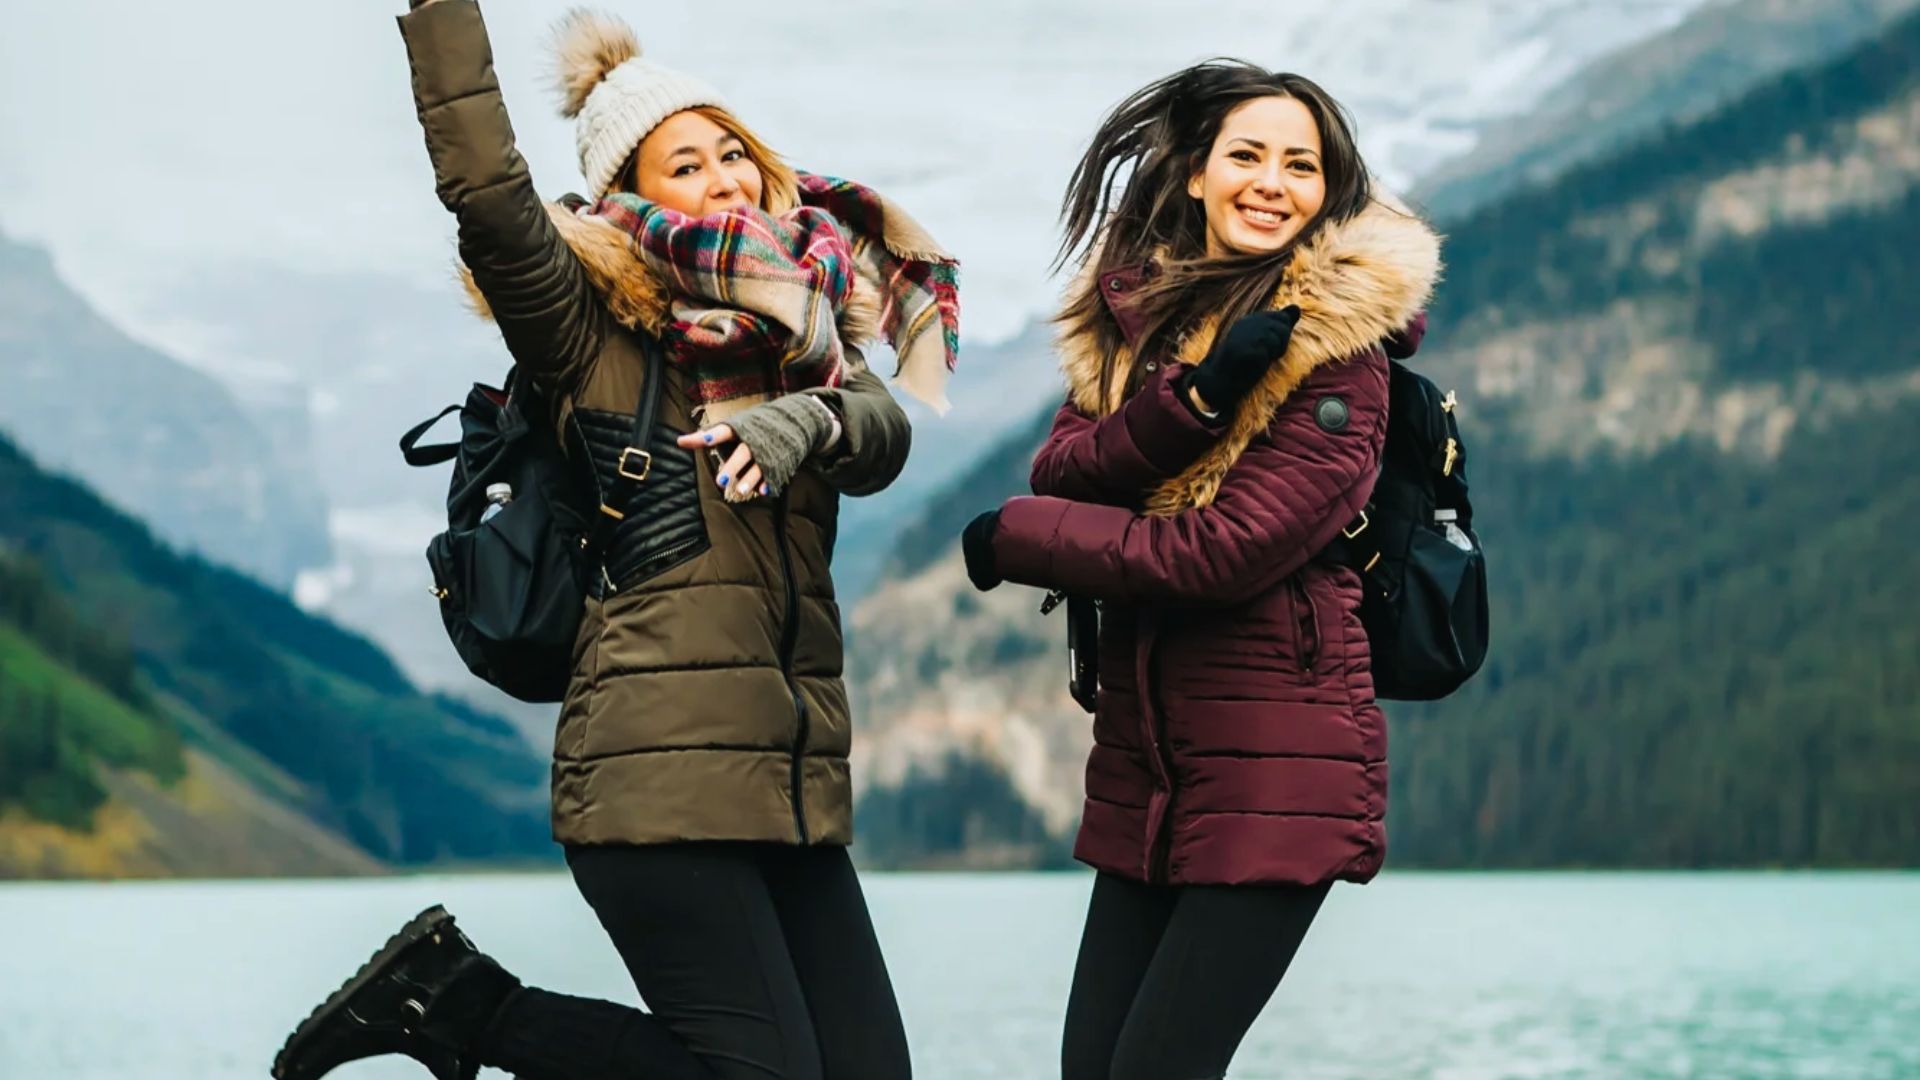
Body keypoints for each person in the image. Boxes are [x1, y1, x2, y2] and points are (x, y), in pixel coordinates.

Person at [272, 2, 959, 1077]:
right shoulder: (593, 336)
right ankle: (461, 1005)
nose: (727, 176)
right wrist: (441, 21)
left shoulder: (801, 336)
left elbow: (879, 434)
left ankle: (454, 1001)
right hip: (652, 783)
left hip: (788, 786)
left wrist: (804, 417)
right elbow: (494, 206)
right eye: (686, 164)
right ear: (630, 198)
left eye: (735, 149)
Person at [960, 61, 1440, 1079]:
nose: (1272, 181)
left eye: (1301, 165)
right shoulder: (1140, 330)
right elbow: (1068, 466)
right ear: (1197, 176)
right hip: (1152, 771)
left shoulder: (1337, 351)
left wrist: (1013, 539)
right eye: (1248, 156)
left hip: (1281, 769)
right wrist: (1199, 402)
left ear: (1330, 192)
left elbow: (1215, 556)